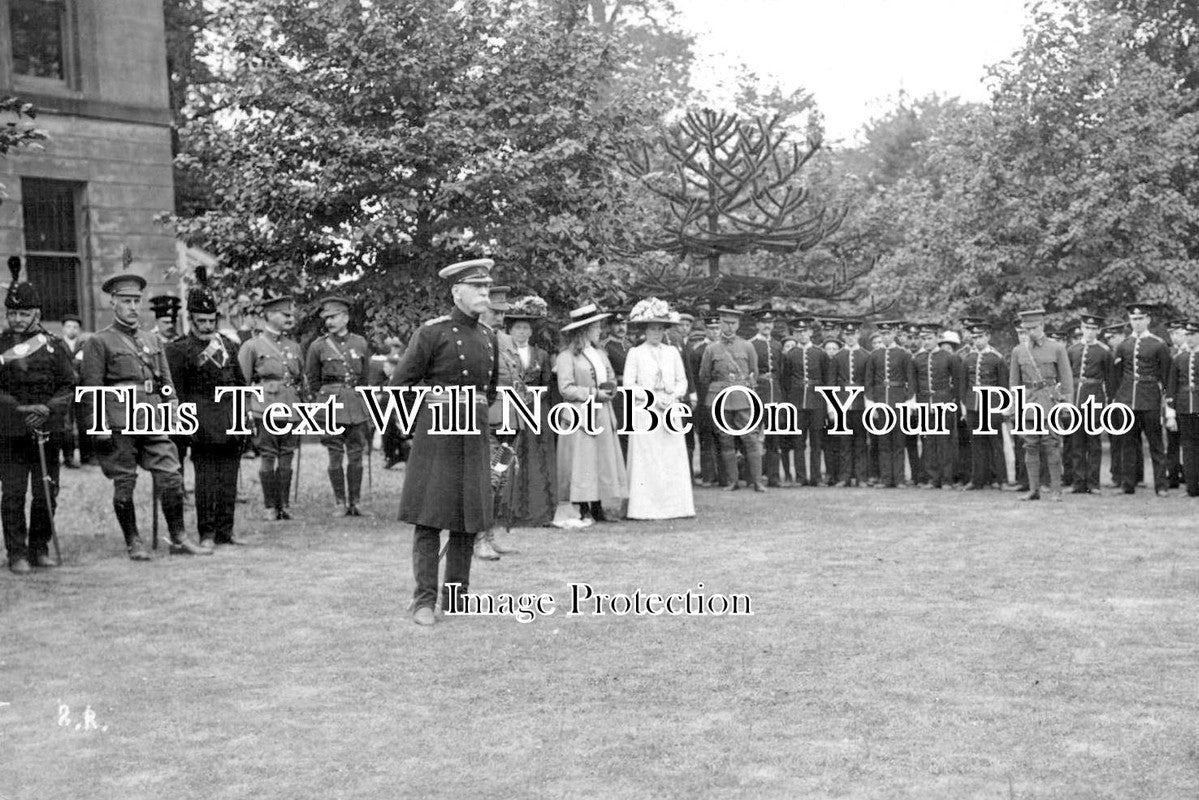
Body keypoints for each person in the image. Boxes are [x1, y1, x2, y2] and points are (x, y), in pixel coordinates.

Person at [391, 258, 499, 626]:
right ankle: (424, 600)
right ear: (457, 292)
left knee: (467, 519)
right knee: (429, 518)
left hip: (473, 436)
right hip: (437, 436)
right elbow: (399, 386)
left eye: (487, 287)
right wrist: (423, 417)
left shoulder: (488, 337)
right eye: (477, 288)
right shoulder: (432, 333)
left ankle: (456, 597)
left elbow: (491, 391)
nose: (485, 293)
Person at [81, 274, 209, 559]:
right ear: (112, 302)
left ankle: (178, 537)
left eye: (135, 301)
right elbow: (92, 387)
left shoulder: (152, 339)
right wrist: (98, 426)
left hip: (151, 418)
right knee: (125, 481)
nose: (131, 307)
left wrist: (173, 407)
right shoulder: (99, 342)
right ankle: (133, 541)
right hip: (119, 421)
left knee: (170, 474)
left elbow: (165, 380)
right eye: (125, 301)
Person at [0, 257, 76, 573]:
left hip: (47, 431)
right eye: (12, 313)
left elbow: (69, 386)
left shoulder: (55, 347)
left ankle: (38, 547)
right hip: (10, 433)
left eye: (23, 313)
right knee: (14, 494)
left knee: (45, 494)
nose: (17, 319)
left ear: (37, 314)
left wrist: (47, 409)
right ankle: (16, 553)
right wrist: (19, 410)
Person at [165, 268, 247, 548]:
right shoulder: (178, 350)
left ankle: (226, 531)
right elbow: (175, 391)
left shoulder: (227, 346)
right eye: (201, 321)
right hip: (200, 424)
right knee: (206, 482)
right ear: (191, 319)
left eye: (211, 320)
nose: (207, 326)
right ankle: (207, 533)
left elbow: (240, 383)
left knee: (228, 481)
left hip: (230, 421)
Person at [555, 303, 628, 523]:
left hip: (602, 412)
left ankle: (598, 505)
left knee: (601, 459)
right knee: (583, 460)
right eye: (595, 327)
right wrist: (593, 393)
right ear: (584, 330)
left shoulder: (599, 353)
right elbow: (565, 388)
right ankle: (582, 505)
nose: (599, 330)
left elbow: (610, 377)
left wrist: (611, 389)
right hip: (580, 414)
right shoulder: (567, 356)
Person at [622, 298, 695, 519]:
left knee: (671, 458)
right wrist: (652, 399)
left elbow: (682, 381)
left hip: (670, 410)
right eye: (652, 329)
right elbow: (628, 384)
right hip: (646, 412)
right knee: (649, 460)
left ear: (665, 330)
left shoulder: (672, 352)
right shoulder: (636, 353)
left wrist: (673, 396)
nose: (656, 333)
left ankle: (676, 507)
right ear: (645, 330)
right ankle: (646, 508)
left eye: (659, 329)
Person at [238, 295, 305, 521]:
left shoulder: (294, 346)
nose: (289, 317)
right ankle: (269, 506)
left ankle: (283, 505)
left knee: (287, 455)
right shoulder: (252, 346)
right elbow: (242, 384)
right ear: (268, 315)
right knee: (268, 455)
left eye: (290, 314)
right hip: (264, 408)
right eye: (283, 314)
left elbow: (300, 380)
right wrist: (244, 413)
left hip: (291, 407)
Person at [305, 296, 372, 516]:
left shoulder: (360, 343)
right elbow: (313, 380)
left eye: (333, 317)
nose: (329, 322)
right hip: (330, 406)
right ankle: (339, 502)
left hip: (355, 406)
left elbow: (365, 379)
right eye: (326, 318)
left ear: (345, 317)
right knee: (335, 455)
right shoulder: (318, 346)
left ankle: (356, 501)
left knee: (356, 454)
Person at [1008, 308, 1073, 501]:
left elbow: (1067, 380)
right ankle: (1033, 490)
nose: (1031, 333)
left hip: (1049, 403)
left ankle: (1055, 490)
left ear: (1042, 326)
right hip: (1028, 405)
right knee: (1030, 446)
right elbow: (1014, 383)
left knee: (1051, 445)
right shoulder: (1018, 351)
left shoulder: (1056, 348)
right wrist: (1015, 407)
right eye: (1027, 329)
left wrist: (1067, 406)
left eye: (1034, 328)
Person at [503, 294, 557, 527]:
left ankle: (538, 509)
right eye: (518, 328)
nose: (522, 333)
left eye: (526, 329)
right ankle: (507, 509)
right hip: (510, 408)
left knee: (536, 456)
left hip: (535, 409)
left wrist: (532, 397)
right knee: (509, 453)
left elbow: (546, 384)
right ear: (511, 331)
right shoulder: (504, 353)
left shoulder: (541, 355)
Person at [699, 306, 764, 492]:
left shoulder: (747, 346)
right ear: (720, 323)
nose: (729, 327)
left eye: (733, 323)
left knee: (750, 439)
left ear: (738, 325)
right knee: (725, 440)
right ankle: (732, 481)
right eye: (725, 323)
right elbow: (704, 376)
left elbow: (754, 372)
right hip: (719, 398)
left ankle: (757, 481)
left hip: (742, 397)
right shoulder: (711, 349)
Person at [1112, 303, 1172, 496]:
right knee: (1128, 444)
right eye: (1133, 319)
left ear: (1148, 320)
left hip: (1150, 400)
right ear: (1130, 321)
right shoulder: (1123, 345)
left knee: (1155, 444)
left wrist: (1167, 404)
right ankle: (1128, 484)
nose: (1137, 322)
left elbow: (1166, 376)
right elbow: (1118, 376)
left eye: (1140, 319)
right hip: (1127, 400)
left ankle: (1161, 486)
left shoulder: (1158, 344)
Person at [910, 327, 964, 489]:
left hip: (944, 403)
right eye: (923, 338)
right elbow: (914, 385)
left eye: (929, 338)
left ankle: (947, 479)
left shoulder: (949, 357)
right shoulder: (917, 359)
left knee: (944, 443)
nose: (925, 341)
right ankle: (932, 478)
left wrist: (950, 400)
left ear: (937, 338)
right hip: (924, 403)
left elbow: (957, 382)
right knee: (928, 442)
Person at [1066, 314, 1114, 494]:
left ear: (1099, 331)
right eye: (1087, 328)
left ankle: (1094, 483)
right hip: (1076, 399)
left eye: (1094, 329)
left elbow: (1110, 379)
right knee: (1076, 443)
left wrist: (1108, 403)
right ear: (1082, 328)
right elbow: (1067, 377)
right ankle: (1078, 483)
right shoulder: (1072, 350)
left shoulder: (1105, 351)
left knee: (1094, 443)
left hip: (1095, 399)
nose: (1090, 332)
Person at [781, 316, 829, 487]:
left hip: (817, 402)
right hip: (796, 403)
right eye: (798, 332)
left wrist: (826, 404)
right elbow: (785, 381)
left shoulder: (820, 353)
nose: (802, 335)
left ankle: (816, 477)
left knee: (816, 442)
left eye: (805, 331)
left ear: (810, 332)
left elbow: (826, 380)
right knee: (798, 442)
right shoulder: (789, 355)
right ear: (794, 334)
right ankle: (801, 477)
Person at [863, 321, 912, 488]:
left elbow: (910, 380)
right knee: (883, 442)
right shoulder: (874, 355)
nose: (885, 337)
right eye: (883, 334)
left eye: (888, 334)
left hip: (898, 401)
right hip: (880, 402)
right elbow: (868, 382)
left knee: (898, 442)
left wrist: (909, 402)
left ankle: (898, 479)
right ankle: (885, 478)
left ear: (894, 334)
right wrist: (870, 404)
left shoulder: (904, 354)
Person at [960, 321, 1008, 490]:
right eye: (974, 337)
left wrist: (1004, 408)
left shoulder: (997, 359)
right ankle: (977, 480)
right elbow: (964, 386)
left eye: (980, 336)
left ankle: (1001, 479)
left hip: (992, 405)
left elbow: (1004, 386)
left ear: (988, 336)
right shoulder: (968, 359)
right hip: (973, 406)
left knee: (995, 443)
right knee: (977, 444)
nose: (977, 340)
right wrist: (964, 406)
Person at [831, 320, 870, 487]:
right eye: (847, 334)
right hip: (842, 404)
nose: (850, 337)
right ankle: (845, 477)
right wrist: (832, 408)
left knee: (861, 441)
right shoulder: (837, 357)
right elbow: (831, 384)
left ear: (858, 335)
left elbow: (869, 383)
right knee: (844, 443)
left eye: (853, 334)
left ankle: (861, 477)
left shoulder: (866, 355)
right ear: (843, 336)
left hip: (861, 403)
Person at [750, 307, 784, 486]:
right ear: (757, 324)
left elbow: (782, 373)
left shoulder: (778, 345)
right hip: (758, 394)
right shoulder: (751, 344)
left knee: (774, 437)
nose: (767, 326)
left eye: (769, 323)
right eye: (764, 322)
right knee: (754, 438)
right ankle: (753, 477)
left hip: (775, 394)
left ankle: (774, 477)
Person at [1165, 321, 1199, 497]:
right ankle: (1192, 488)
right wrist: (1170, 414)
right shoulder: (1179, 359)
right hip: (1185, 408)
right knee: (1189, 448)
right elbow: (1171, 388)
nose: (1190, 338)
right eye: (1187, 335)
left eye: (1193, 335)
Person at [58, 312, 91, 468]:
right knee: (67, 424)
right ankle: (68, 456)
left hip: (82, 389)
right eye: (68, 326)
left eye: (75, 327)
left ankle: (86, 455)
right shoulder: (57, 345)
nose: (71, 330)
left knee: (84, 422)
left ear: (79, 330)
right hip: (64, 390)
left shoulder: (85, 345)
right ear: (63, 328)